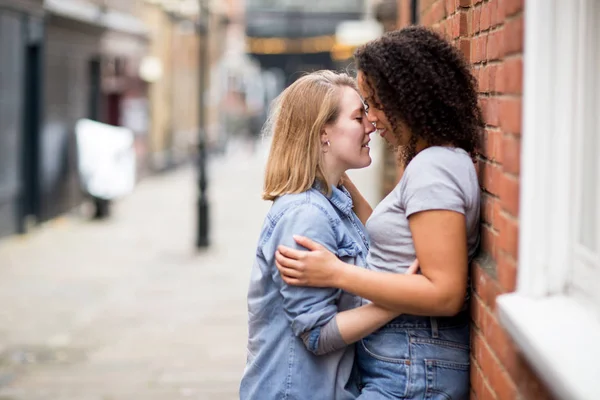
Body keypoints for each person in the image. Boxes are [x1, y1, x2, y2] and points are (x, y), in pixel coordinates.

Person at [276, 26, 483, 399]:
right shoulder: (434, 162)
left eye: (375, 104)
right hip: (407, 360)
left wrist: (338, 273)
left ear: (406, 99)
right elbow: (396, 237)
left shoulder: (433, 168)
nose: (372, 120)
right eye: (364, 110)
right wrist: (333, 174)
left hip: (413, 364)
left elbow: (446, 292)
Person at [239, 70, 419, 400]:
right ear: (324, 131)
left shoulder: (333, 203)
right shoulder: (306, 215)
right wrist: (399, 300)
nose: (370, 126)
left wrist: (331, 171)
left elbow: (378, 229)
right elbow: (318, 334)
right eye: (357, 116)